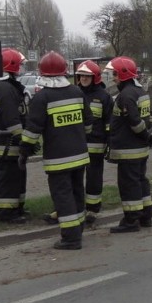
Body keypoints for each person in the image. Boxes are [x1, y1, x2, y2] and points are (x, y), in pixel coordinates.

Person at [19, 51, 92, 250]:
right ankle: (79, 228)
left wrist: (24, 151)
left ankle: (70, 238)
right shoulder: (78, 93)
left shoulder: (41, 98)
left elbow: (33, 130)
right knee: (77, 192)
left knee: (63, 196)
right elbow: (88, 124)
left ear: (43, 74)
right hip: (80, 155)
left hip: (58, 159)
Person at [43, 60, 112, 225]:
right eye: (81, 75)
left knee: (94, 178)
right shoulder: (74, 93)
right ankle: (65, 210)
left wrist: (109, 142)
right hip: (76, 146)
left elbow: (109, 122)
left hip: (96, 145)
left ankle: (92, 210)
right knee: (70, 181)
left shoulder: (103, 96)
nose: (84, 79)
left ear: (95, 77)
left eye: (87, 76)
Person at [106, 56, 152, 233]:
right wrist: (150, 134)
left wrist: (145, 134)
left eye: (114, 73)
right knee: (140, 181)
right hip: (141, 149)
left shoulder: (126, 96)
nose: (113, 77)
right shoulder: (140, 92)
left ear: (122, 74)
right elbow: (149, 116)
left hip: (128, 150)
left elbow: (135, 122)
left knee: (129, 185)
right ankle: (146, 216)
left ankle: (131, 220)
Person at [0, 48, 29, 223]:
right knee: (9, 180)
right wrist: (23, 139)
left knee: (15, 178)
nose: (21, 69)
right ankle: (6, 214)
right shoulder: (5, 88)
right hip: (8, 144)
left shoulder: (0, 86)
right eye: (19, 65)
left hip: (3, 143)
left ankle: (17, 209)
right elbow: (12, 118)